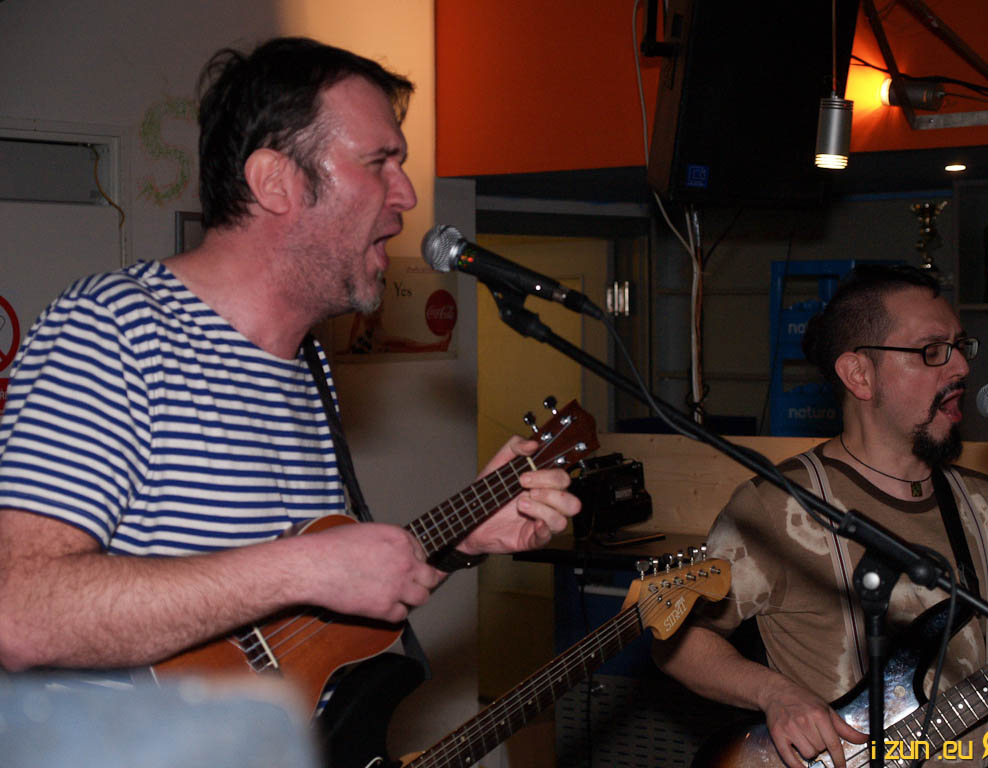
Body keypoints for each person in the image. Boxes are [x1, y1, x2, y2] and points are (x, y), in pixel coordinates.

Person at [0, 37, 580, 691]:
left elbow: (300, 640)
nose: (406, 195)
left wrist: (461, 541)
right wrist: (303, 567)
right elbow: (21, 613)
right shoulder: (114, 329)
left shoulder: (309, 369)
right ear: (276, 182)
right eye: (379, 162)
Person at [653, 265, 988, 768]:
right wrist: (775, 694)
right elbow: (675, 640)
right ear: (859, 375)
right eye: (933, 350)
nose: (960, 366)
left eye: (961, 346)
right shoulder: (778, 506)